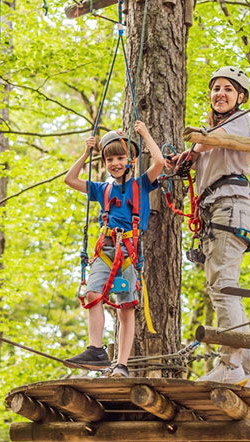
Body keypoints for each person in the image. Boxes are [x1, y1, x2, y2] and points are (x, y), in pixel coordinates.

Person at [169, 66, 250, 387]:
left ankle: (231, 364)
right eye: (216, 88)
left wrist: (193, 149)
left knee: (223, 289)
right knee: (226, 289)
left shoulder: (239, 121)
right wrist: (184, 159)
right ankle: (244, 371)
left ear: (240, 97)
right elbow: (203, 149)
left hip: (228, 208)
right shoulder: (211, 135)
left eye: (228, 90)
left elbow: (208, 142)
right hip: (218, 213)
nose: (220, 93)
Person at [63, 120, 164, 378]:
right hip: (106, 249)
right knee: (91, 294)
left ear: (130, 159)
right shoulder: (102, 189)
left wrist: (145, 134)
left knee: (126, 306)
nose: (115, 164)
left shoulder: (141, 184)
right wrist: (86, 154)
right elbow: (70, 179)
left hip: (129, 251)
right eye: (110, 160)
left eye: (120, 158)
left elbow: (160, 163)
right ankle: (96, 350)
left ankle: (121, 364)